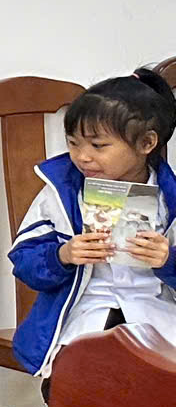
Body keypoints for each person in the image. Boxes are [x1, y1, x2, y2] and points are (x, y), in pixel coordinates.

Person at [10, 65, 176, 388]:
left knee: (156, 382)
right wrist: (63, 255)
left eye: (98, 146)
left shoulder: (169, 198)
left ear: (146, 143)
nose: (82, 157)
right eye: (73, 143)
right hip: (87, 311)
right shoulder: (62, 193)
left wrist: (168, 260)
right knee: (83, 376)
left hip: (156, 314)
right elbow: (24, 262)